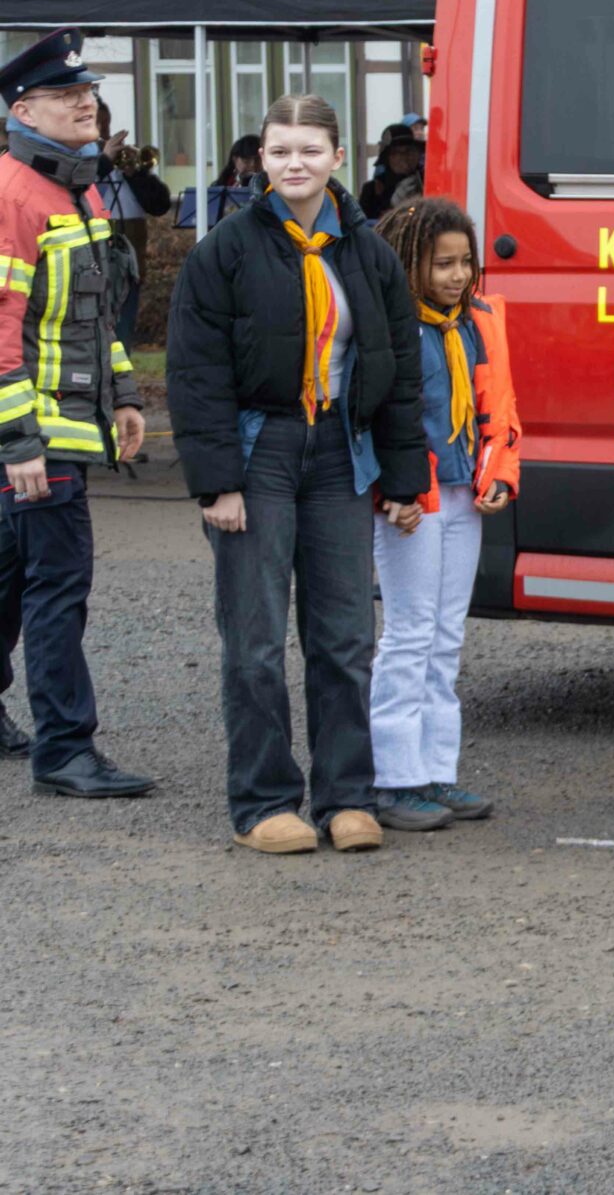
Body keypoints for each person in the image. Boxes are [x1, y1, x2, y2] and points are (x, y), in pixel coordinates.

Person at [168, 94, 428, 855]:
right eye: (280, 150)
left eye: (310, 150)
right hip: (260, 452)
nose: (294, 164)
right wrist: (217, 481)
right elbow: (195, 372)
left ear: (338, 157)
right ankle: (264, 802)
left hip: (340, 452)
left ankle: (347, 797)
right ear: (262, 159)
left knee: (345, 636)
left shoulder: (368, 252)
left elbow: (399, 370)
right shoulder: (225, 249)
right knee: (254, 640)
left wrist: (403, 478)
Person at [0, 29, 152, 797]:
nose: (84, 102)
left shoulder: (76, 187)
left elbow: (94, 317)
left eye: (86, 90)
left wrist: (124, 393)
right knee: (57, 587)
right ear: (22, 110)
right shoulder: (16, 194)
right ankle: (64, 749)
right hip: (37, 437)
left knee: (12, 575)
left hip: (58, 429)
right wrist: (19, 442)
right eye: (64, 94)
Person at [368, 197, 520, 832]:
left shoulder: (478, 319)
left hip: (463, 495)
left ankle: (434, 772)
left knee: (445, 636)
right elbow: (378, 416)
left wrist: (502, 475)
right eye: (442, 264)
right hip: (413, 501)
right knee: (409, 635)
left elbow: (501, 406)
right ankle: (393, 779)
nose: (458, 276)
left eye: (465, 262)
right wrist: (393, 493)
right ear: (409, 263)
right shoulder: (392, 324)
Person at [92, 99, 171, 354]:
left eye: (106, 124)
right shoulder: (82, 161)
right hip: (94, 262)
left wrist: (135, 174)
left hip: (129, 260)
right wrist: (104, 161)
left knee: (124, 330)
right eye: (97, 124)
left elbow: (160, 205)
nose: (103, 131)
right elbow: (79, 188)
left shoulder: (127, 166)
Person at [358, 117, 425, 222]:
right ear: (387, 158)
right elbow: (364, 226)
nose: (405, 157)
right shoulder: (372, 191)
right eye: (396, 152)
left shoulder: (426, 182)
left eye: (409, 151)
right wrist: (395, 209)